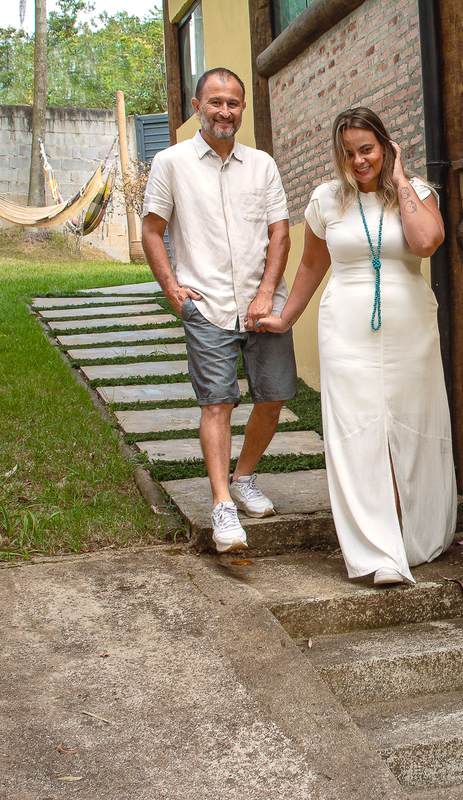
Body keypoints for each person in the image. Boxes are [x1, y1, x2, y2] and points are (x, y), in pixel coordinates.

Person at [257, 107, 456, 585]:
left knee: (413, 423)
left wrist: (401, 177)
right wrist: (285, 318)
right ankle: (377, 551)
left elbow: (428, 241)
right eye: (348, 154)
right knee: (357, 431)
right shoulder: (326, 200)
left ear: (386, 146)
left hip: (410, 330)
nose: (358, 161)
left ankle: (416, 536)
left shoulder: (417, 193)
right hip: (345, 330)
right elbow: (310, 267)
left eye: (366, 150)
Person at [140, 67, 296, 553]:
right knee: (217, 402)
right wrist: (172, 289)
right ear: (196, 106)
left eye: (233, 103)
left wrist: (268, 290)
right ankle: (223, 503)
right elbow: (151, 229)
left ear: (242, 108)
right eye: (215, 102)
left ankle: (244, 477)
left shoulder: (262, 165)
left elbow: (280, 231)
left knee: (273, 395)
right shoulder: (171, 163)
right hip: (205, 303)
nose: (224, 111)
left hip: (261, 302)